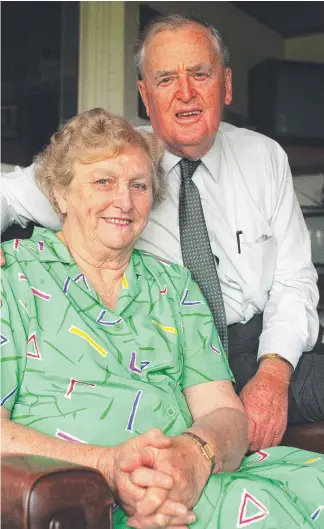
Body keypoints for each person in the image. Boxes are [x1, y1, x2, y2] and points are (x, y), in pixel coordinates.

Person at [1, 15, 323, 453]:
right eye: (166, 78)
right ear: (145, 96)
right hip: (165, 359)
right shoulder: (112, 162)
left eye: (200, 74)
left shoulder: (264, 156)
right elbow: (9, 195)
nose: (185, 93)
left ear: (225, 85)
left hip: (258, 347)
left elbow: (294, 279)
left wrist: (273, 375)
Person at [1, 108, 324, 529]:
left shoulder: (174, 286)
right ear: (59, 194)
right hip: (87, 492)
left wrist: (194, 457)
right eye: (103, 182)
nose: (124, 201)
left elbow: (225, 413)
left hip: (193, 481)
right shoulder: (13, 278)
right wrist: (107, 464)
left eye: (139, 185)